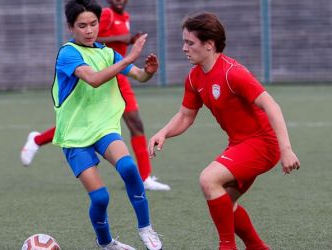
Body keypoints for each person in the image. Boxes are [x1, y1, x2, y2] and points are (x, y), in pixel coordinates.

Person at [148, 12, 300, 250]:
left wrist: (287, 150)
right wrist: (164, 132)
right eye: (184, 42)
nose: (184, 48)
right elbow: (186, 115)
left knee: (209, 180)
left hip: (262, 143)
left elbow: (272, 106)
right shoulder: (194, 77)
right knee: (224, 203)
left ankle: (227, 246)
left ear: (209, 44)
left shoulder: (232, 73)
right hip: (239, 145)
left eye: (190, 42)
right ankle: (257, 246)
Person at [20, 0, 170, 191]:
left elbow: (122, 55)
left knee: (136, 124)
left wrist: (139, 60)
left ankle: (144, 177)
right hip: (97, 71)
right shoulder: (105, 15)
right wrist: (124, 38)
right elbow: (94, 42)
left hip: (119, 73)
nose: (120, 0)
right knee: (81, 122)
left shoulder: (125, 16)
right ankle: (37, 140)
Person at [50, 0, 163, 249]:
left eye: (93, 24)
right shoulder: (68, 53)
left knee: (130, 169)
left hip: (104, 129)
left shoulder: (108, 53)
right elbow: (93, 79)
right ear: (71, 27)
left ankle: (146, 228)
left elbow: (139, 76)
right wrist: (130, 57)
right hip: (75, 135)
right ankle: (106, 244)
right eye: (82, 26)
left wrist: (149, 71)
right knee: (100, 198)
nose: (89, 30)